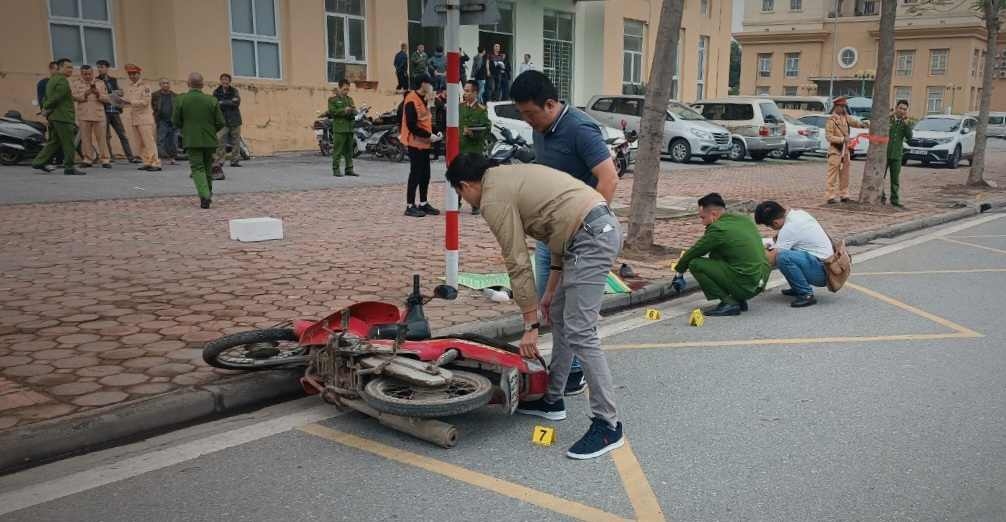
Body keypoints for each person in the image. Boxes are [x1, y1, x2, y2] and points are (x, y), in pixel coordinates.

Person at [447, 154, 625, 460]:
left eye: (462, 196)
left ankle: (608, 425)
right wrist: (550, 292)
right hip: (586, 233)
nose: (466, 202)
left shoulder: (493, 197)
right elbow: (557, 231)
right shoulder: (512, 175)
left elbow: (516, 260)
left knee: (582, 332)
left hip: (591, 238)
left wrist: (530, 326)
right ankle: (552, 400)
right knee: (558, 316)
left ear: (465, 185)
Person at [510, 70, 618, 395]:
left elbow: (609, 178)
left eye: (531, 114)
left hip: (582, 234)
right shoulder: (540, 130)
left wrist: (588, 224)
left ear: (551, 104)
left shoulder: (580, 129)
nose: (528, 121)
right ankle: (563, 372)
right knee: (551, 304)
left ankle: (574, 373)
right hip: (552, 234)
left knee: (574, 316)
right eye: (522, 115)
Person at [672, 193, 770, 316]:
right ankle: (739, 299)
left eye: (703, 218)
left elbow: (694, 252)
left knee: (695, 263)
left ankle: (729, 302)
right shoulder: (743, 220)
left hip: (746, 284)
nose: (702, 222)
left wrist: (679, 273)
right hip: (759, 281)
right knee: (719, 254)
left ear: (713, 214)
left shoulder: (718, 229)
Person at [754, 201, 833, 308]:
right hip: (824, 264)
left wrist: (757, 280)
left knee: (783, 257)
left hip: (823, 272)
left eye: (768, 226)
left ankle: (806, 294)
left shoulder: (789, 228)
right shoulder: (798, 214)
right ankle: (798, 287)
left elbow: (771, 259)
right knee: (783, 254)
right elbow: (776, 242)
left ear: (775, 223)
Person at [173, 72, 226, 209]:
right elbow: (220, 122)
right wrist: (211, 131)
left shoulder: (181, 100)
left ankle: (204, 195)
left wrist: (186, 130)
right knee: (208, 167)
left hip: (191, 139)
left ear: (188, 84)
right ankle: (208, 192)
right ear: (202, 85)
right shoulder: (211, 100)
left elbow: (175, 121)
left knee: (197, 168)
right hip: (209, 139)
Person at [31, 58, 84, 176]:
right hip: (63, 117)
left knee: (54, 141)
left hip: (54, 116)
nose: (71, 70)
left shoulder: (52, 80)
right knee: (69, 142)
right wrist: (45, 106)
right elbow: (56, 97)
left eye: (71, 67)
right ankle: (69, 167)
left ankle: (38, 162)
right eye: (68, 67)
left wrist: (46, 109)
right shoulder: (62, 80)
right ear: (60, 68)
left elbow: (46, 97)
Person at [400, 75, 442, 217]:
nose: (431, 86)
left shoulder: (425, 99)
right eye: (429, 83)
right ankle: (410, 205)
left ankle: (423, 203)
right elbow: (411, 124)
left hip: (424, 144)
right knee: (415, 174)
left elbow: (426, 121)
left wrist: (436, 131)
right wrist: (429, 136)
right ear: (423, 84)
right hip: (415, 143)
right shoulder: (411, 99)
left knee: (425, 175)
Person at [825, 96, 867, 204]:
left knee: (845, 175)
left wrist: (864, 124)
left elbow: (856, 123)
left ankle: (844, 195)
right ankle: (830, 196)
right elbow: (829, 137)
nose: (843, 108)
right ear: (836, 107)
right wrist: (842, 139)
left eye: (844, 106)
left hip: (846, 152)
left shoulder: (846, 117)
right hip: (835, 150)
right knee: (832, 175)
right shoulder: (831, 120)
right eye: (841, 106)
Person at [120, 64, 161, 172]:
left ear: (139, 74)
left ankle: (155, 163)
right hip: (135, 118)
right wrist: (120, 101)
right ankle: (147, 162)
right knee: (140, 142)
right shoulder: (130, 87)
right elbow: (128, 102)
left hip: (144, 118)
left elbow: (145, 102)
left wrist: (129, 102)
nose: (132, 76)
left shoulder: (145, 86)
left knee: (149, 142)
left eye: (134, 74)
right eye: (130, 74)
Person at [459, 80, 491, 215]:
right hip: (460, 148)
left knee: (473, 178)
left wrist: (472, 133)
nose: (465, 93)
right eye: (464, 91)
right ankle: (456, 201)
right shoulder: (459, 107)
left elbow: (486, 130)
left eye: (467, 91)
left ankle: (475, 203)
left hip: (474, 149)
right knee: (459, 177)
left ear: (475, 93)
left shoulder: (481, 110)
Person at [71, 64, 111, 169]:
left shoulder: (100, 83)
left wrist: (98, 94)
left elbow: (107, 99)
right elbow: (73, 97)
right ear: (81, 74)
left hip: (99, 115)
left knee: (102, 139)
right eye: (85, 74)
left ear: (93, 73)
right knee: (85, 139)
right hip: (84, 114)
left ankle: (105, 159)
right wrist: (85, 94)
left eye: (89, 74)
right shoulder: (76, 83)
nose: (87, 76)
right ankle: (87, 159)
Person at [96, 59, 136, 163]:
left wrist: (117, 93)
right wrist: (112, 93)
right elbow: (100, 95)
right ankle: (109, 157)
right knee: (106, 136)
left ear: (107, 68)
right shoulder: (96, 80)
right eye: (98, 67)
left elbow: (119, 93)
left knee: (122, 134)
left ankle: (130, 157)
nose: (100, 69)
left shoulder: (113, 80)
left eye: (102, 67)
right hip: (104, 111)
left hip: (114, 110)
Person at [213, 73, 242, 174]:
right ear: (220, 81)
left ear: (230, 81)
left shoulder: (234, 91)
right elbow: (215, 104)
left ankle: (235, 161)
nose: (225, 81)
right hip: (222, 121)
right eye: (223, 80)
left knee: (236, 141)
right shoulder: (216, 92)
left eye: (226, 80)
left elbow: (236, 102)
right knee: (220, 141)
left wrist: (222, 102)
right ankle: (220, 161)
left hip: (235, 120)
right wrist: (229, 102)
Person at [886, 100, 914, 209]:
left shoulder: (906, 122)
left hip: (897, 155)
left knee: (895, 180)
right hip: (884, 153)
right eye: (901, 108)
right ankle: (881, 197)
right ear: (896, 108)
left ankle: (894, 200)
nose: (902, 111)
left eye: (905, 109)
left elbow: (910, 137)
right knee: (880, 178)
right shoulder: (889, 119)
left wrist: (907, 125)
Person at [327, 79, 357, 177]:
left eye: (348, 89)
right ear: (339, 88)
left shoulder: (350, 99)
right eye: (344, 89)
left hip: (349, 128)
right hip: (339, 128)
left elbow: (354, 112)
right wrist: (344, 110)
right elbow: (332, 112)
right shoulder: (333, 100)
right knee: (338, 151)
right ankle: (336, 169)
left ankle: (349, 169)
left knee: (349, 151)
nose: (346, 91)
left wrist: (352, 111)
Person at [151, 78, 178, 165]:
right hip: (162, 120)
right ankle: (162, 158)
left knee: (173, 141)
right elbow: (152, 106)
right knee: (161, 140)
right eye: (163, 83)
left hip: (172, 121)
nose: (165, 85)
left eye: (167, 83)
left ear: (169, 85)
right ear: (160, 85)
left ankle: (172, 158)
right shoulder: (155, 95)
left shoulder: (174, 95)